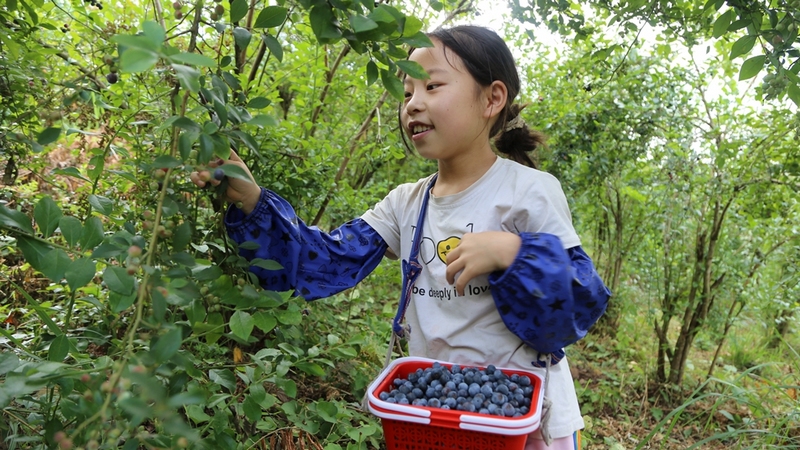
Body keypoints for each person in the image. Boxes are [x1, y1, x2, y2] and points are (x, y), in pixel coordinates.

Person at [191, 25, 610, 450]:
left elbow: (578, 300)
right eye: (407, 91)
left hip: (521, 422)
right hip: (434, 418)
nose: (413, 104)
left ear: (492, 98)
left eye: (432, 85)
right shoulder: (406, 203)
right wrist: (253, 200)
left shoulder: (527, 191)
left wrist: (513, 251)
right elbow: (324, 262)